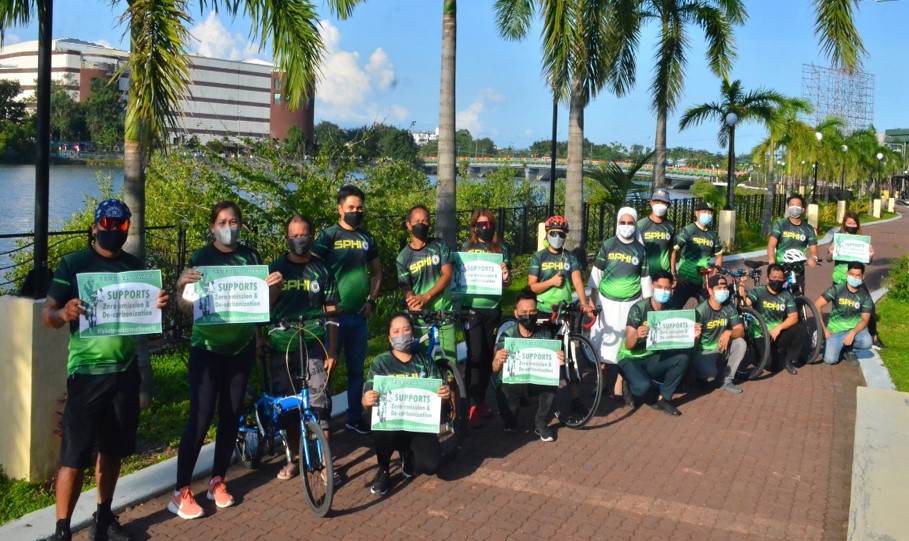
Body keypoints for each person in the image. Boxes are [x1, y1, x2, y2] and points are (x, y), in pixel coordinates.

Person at [43, 199, 169, 541]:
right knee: (73, 455)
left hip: (125, 373)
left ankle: (103, 519)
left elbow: (148, 311)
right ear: (95, 226)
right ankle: (62, 530)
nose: (114, 231)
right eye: (107, 224)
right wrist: (63, 313)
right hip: (86, 374)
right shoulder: (72, 264)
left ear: (127, 228)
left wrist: (157, 304)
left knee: (113, 450)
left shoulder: (135, 267)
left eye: (121, 225)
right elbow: (48, 316)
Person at [170, 201, 283, 519]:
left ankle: (217, 481)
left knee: (231, 416)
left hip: (241, 349)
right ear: (212, 227)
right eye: (222, 221)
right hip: (207, 350)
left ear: (240, 225)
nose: (228, 226)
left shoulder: (251, 258)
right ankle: (180, 491)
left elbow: (262, 304)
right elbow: (187, 308)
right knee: (200, 419)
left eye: (234, 221)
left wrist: (275, 290)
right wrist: (181, 287)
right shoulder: (201, 258)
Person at [261, 215, 339, 481]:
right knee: (290, 409)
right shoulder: (275, 269)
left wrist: (333, 349)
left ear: (312, 235)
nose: (299, 240)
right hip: (282, 346)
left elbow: (331, 311)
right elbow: (261, 308)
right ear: (287, 238)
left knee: (320, 405)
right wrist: (259, 337)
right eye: (294, 236)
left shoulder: (322, 269)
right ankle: (293, 459)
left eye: (304, 234)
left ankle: (327, 464)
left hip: (314, 344)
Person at [313, 184, 382, 435]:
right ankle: (322, 419)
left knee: (356, 370)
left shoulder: (367, 238)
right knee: (326, 369)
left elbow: (376, 272)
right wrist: (321, 305)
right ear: (339, 208)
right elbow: (314, 271)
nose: (356, 211)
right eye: (351, 207)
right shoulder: (328, 236)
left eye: (359, 207)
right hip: (332, 318)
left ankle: (354, 417)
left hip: (358, 317)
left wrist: (371, 300)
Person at [361, 313, 450, 496]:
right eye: (396, 331)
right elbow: (367, 395)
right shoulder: (381, 363)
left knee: (430, 466)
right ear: (389, 337)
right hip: (391, 426)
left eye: (406, 329)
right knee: (379, 425)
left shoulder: (425, 361)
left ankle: (407, 454)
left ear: (413, 333)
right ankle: (383, 470)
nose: (401, 334)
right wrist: (366, 400)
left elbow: (437, 397)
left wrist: (443, 395)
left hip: (417, 425)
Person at [588, 207, 652, 402]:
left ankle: (618, 386)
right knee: (602, 345)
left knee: (623, 346)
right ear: (617, 224)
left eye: (630, 223)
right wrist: (592, 301)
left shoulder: (640, 250)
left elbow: (645, 281)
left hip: (629, 305)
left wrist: (645, 307)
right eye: (622, 223)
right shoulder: (608, 245)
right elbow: (596, 274)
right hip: (606, 305)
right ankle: (601, 383)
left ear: (635, 225)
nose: (626, 226)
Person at [618, 271, 697, 416]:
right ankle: (628, 382)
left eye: (667, 288)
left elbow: (676, 338)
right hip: (630, 357)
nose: (664, 291)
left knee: (682, 358)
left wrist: (693, 335)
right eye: (660, 287)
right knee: (642, 388)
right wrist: (637, 335)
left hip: (652, 356)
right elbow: (628, 345)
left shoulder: (671, 307)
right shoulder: (638, 309)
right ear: (652, 287)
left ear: (672, 288)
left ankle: (664, 399)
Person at [460, 209, 511, 428]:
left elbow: (507, 283)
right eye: (480, 224)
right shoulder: (466, 249)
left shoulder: (501, 249)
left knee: (487, 356)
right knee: (475, 355)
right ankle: (470, 403)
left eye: (488, 224)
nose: (485, 228)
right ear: (474, 227)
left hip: (493, 309)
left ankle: (480, 400)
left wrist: (506, 277)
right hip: (471, 309)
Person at [492, 289, 565, 441]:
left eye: (532, 312)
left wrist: (558, 359)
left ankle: (541, 422)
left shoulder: (545, 335)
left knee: (550, 382)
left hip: (535, 383)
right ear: (516, 313)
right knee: (509, 417)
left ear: (537, 313)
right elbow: (494, 369)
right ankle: (510, 418)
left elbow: (553, 367)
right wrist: (498, 359)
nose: (528, 315)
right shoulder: (508, 335)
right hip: (513, 383)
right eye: (524, 311)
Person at [396, 204, 455, 360]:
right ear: (409, 225)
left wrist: (426, 296)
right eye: (417, 221)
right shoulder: (403, 258)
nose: (421, 224)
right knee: (423, 367)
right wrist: (411, 300)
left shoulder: (439, 246)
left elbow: (447, 274)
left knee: (450, 370)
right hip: (420, 319)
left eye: (425, 221)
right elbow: (406, 286)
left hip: (444, 315)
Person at [826, 212, 883, 348]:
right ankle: (835, 338)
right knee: (839, 309)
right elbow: (828, 259)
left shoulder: (861, 240)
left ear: (857, 225)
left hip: (856, 279)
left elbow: (868, 261)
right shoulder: (838, 238)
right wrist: (831, 251)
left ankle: (873, 336)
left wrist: (870, 255)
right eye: (849, 223)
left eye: (854, 223)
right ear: (844, 224)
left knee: (870, 308)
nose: (851, 226)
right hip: (840, 279)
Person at [739, 263, 806, 375]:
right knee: (771, 366)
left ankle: (788, 360)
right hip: (761, 334)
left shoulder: (786, 295)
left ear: (784, 279)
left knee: (801, 327)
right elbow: (744, 304)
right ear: (767, 279)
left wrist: (779, 327)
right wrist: (742, 284)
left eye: (780, 278)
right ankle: (761, 353)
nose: (777, 280)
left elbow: (793, 317)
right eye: (774, 278)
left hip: (777, 333)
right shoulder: (758, 291)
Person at [528, 215, 593, 317]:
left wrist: (584, 304)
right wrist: (551, 282)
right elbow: (532, 287)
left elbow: (577, 281)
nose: (557, 237)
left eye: (561, 235)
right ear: (547, 234)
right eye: (553, 233)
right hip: (543, 309)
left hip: (565, 310)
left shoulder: (570, 256)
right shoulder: (539, 257)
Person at [693, 275, 746, 393]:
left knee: (740, 343)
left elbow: (740, 330)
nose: (723, 291)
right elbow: (693, 341)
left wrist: (729, 332)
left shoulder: (729, 306)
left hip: (722, 346)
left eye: (725, 288)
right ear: (710, 290)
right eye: (719, 288)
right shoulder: (700, 311)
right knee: (710, 376)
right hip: (705, 351)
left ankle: (726, 380)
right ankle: (700, 373)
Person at [814, 262, 873, 365]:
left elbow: (865, 320)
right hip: (836, 330)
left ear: (862, 276)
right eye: (851, 274)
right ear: (847, 274)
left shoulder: (865, 296)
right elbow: (817, 305)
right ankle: (832, 345)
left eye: (857, 275)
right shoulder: (836, 289)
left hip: (855, 329)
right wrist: (823, 329)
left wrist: (853, 333)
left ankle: (849, 350)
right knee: (829, 360)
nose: (854, 277)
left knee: (867, 342)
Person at [670, 202, 723, 308]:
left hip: (702, 282)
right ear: (697, 213)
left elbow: (719, 255)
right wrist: (674, 274)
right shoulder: (688, 231)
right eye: (704, 211)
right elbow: (673, 250)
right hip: (684, 280)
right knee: (673, 311)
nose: (707, 214)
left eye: (709, 212)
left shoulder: (712, 235)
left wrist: (715, 276)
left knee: (707, 310)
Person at [767, 194, 818, 293]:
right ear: (788, 208)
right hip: (781, 269)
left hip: (798, 270)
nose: (794, 207)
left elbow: (813, 248)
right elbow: (771, 244)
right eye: (792, 205)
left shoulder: (808, 228)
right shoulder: (780, 224)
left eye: (797, 205)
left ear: (803, 209)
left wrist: (814, 258)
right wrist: (771, 261)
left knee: (798, 298)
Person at [638, 188, 675, 278]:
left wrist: (673, 273)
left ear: (668, 205)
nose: (659, 204)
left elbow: (672, 250)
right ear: (651, 202)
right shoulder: (640, 225)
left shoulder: (670, 226)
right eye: (657, 201)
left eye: (663, 202)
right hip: (645, 273)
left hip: (664, 274)